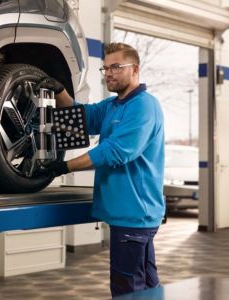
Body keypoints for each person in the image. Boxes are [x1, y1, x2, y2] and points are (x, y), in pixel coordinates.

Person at [36, 42, 165, 297]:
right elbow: (82, 117)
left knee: (126, 289)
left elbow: (117, 151)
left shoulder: (144, 106)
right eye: (105, 68)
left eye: (116, 67)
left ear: (135, 69)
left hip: (135, 213)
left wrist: (64, 166)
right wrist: (59, 91)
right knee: (147, 286)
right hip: (130, 214)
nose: (109, 73)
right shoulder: (112, 105)